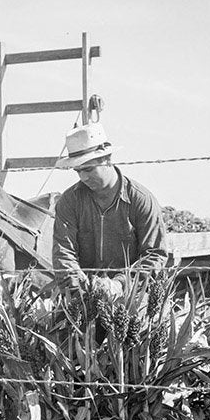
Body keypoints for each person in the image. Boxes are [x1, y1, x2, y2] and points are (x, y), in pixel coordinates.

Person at [51, 121, 168, 292]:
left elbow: (155, 254)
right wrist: (78, 286)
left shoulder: (140, 200)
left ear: (107, 159)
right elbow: (63, 253)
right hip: (83, 296)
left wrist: (120, 285)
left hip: (131, 296)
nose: (83, 177)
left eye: (89, 169)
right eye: (78, 171)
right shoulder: (70, 201)